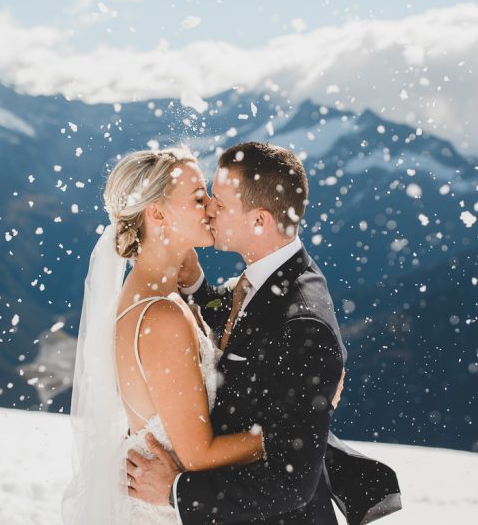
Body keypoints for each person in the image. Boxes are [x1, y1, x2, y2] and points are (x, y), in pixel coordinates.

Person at [127, 141, 349, 524]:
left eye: (221, 203)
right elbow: (245, 334)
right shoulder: (271, 279)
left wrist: (174, 491)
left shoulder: (304, 324)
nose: (210, 209)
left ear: (259, 221)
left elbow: (292, 482)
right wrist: (199, 288)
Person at [61, 146, 268, 525]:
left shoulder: (151, 299)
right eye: (197, 198)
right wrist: (294, 430)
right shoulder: (161, 316)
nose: (211, 206)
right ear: (156, 214)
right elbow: (198, 454)